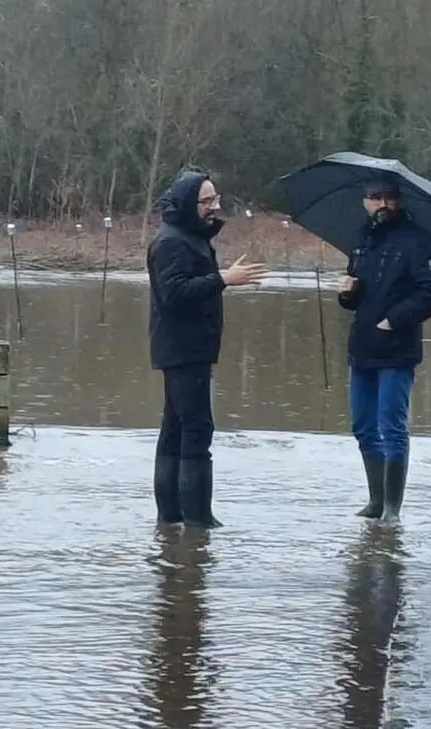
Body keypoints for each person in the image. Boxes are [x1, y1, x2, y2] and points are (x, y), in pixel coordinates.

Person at [146, 169, 267, 528]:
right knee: (196, 430)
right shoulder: (172, 242)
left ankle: (172, 518)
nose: (215, 206)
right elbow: (174, 294)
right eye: (207, 201)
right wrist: (223, 278)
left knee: (176, 429)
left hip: (186, 347)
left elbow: (189, 284)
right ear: (188, 203)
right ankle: (198, 520)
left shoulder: (188, 237)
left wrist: (219, 277)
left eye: (216, 198)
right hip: (183, 349)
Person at [337, 178, 431, 524]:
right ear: (365, 201)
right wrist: (347, 293)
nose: (383, 204)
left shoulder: (417, 240)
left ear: (399, 201)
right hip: (362, 346)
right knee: (362, 426)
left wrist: (394, 320)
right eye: (375, 197)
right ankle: (376, 501)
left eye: (389, 197)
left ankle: (392, 510)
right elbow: (356, 297)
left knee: (392, 427)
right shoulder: (361, 239)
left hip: (398, 348)